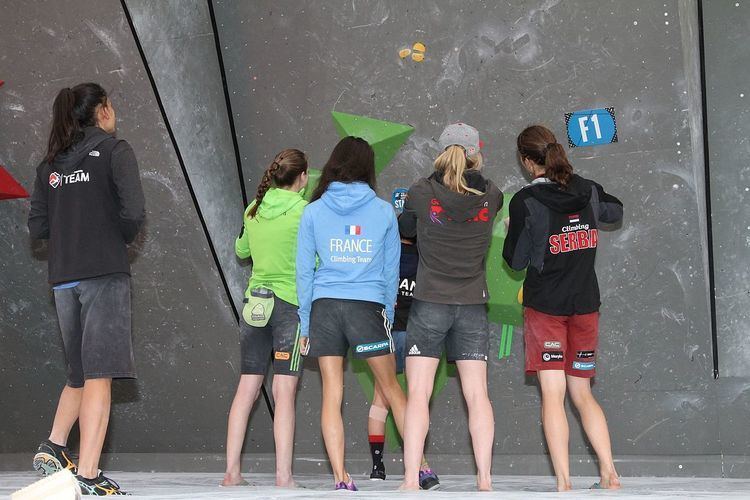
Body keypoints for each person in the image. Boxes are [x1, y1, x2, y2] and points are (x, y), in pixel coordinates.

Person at [28, 83, 145, 496]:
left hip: (63, 279)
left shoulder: (50, 166)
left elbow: (38, 228)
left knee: (79, 372)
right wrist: (112, 239)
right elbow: (134, 213)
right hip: (103, 274)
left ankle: (55, 446)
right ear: (102, 111)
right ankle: (90, 476)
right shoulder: (115, 151)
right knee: (99, 375)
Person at [503, 124, 623, 492]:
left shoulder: (525, 202)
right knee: (583, 393)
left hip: (546, 311)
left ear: (526, 162)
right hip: (585, 305)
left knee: (553, 396)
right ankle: (609, 474)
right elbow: (614, 212)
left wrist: (513, 227)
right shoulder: (586, 188)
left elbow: (516, 261)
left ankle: (564, 483)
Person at [296, 137, 405, 491]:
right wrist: (387, 312)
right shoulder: (384, 211)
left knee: (332, 393)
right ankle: (419, 469)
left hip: (324, 307)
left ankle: (341, 477)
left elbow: (304, 273)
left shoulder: (312, 210)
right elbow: (392, 272)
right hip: (367, 308)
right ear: (367, 167)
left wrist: (306, 322)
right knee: (391, 389)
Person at [399, 123, 502, 491]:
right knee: (478, 395)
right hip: (473, 304)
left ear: (440, 152)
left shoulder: (422, 191)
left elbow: (407, 228)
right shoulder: (493, 195)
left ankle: (411, 480)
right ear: (477, 151)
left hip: (430, 303)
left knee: (418, 395)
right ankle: (485, 481)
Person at [221, 149, 309, 488]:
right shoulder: (305, 212)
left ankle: (231, 472)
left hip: (254, 307)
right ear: (301, 178)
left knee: (247, 388)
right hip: (290, 309)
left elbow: (241, 250)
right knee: (285, 391)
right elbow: (314, 261)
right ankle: (284, 477)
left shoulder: (253, 209)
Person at [366, 235, 438, 490]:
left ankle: (377, 467)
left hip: (385, 332)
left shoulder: (385, 257)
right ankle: (420, 467)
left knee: (381, 398)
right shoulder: (426, 258)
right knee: (413, 400)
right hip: (414, 333)